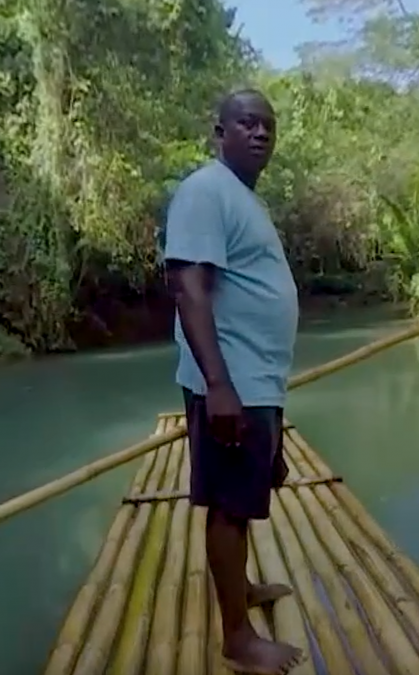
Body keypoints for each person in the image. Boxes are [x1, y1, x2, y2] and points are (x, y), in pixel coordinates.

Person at [162, 88, 304, 675]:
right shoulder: (205, 190)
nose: (261, 133)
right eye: (247, 123)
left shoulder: (242, 199)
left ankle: (238, 589)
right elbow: (188, 287)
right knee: (227, 507)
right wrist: (219, 386)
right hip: (233, 382)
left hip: (255, 382)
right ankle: (238, 639)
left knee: (243, 500)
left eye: (268, 125)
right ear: (218, 131)